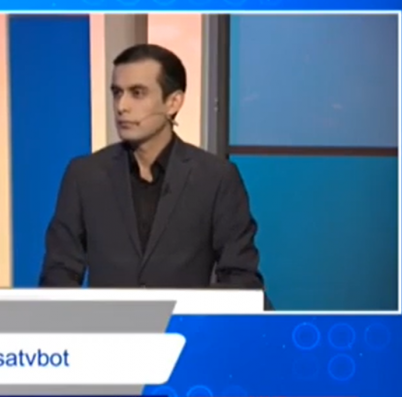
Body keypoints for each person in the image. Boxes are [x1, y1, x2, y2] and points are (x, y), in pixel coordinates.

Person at [39, 43, 264, 290]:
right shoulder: (85, 176)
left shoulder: (215, 178)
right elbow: (58, 275)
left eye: (137, 93)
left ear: (173, 102)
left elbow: (241, 279)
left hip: (185, 317)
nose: (121, 106)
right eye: (117, 93)